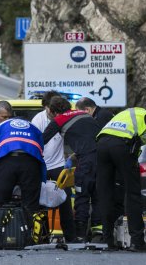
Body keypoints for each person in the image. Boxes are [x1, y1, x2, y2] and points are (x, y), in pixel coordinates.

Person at [96, 108, 146, 251]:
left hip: (101, 144)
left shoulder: (129, 114)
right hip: (121, 146)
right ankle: (137, 242)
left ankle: (108, 241)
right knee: (132, 193)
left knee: (105, 192)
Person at [43, 96, 101, 242]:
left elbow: (41, 140)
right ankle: (99, 234)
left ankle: (80, 235)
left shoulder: (59, 120)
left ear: (53, 111)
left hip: (87, 160)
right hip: (103, 157)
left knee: (82, 194)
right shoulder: (84, 114)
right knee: (98, 195)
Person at [0, 108, 46, 214]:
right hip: (30, 163)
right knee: (31, 206)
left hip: (7, 161)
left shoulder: (2, 126)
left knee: (0, 205)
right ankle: (29, 228)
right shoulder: (34, 127)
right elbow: (41, 150)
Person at [31, 91, 76, 242]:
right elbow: (35, 143)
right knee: (38, 203)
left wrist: (71, 158)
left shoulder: (62, 119)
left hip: (58, 166)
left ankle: (71, 238)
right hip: (41, 165)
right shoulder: (38, 120)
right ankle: (38, 236)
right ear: (48, 109)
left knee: (65, 203)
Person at [75, 97, 114, 238]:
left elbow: (92, 141)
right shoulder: (104, 115)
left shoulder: (100, 118)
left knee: (84, 197)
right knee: (98, 197)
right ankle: (97, 231)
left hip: (93, 164)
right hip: (101, 164)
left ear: (87, 110)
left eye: (80, 114)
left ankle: (82, 232)